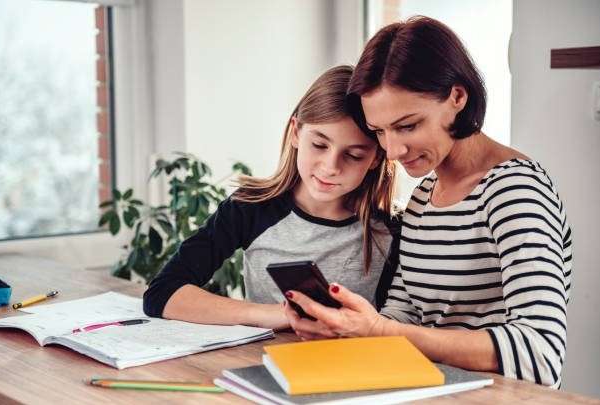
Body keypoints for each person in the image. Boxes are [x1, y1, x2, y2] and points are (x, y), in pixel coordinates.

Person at [283, 16, 572, 389]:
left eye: (408, 126)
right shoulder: (422, 200)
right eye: (379, 131)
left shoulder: (514, 192)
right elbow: (401, 319)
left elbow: (541, 354)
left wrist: (382, 331)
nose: (391, 151)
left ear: (457, 97)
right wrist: (348, 330)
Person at [143, 65, 400, 331]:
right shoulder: (249, 209)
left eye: (354, 155)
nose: (330, 166)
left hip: (356, 366)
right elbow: (161, 293)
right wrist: (278, 315)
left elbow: (398, 324)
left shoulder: (392, 228)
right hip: (268, 362)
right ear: (296, 133)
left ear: (376, 157)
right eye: (320, 145)